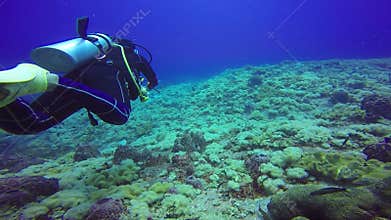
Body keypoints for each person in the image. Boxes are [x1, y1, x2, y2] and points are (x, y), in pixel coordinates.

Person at [0, 37, 158, 135]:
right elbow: (153, 79)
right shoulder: (133, 56)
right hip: (104, 76)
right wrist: (146, 87)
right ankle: (49, 81)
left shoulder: (94, 56)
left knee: (35, 121)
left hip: (79, 77)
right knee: (121, 115)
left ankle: (6, 95)